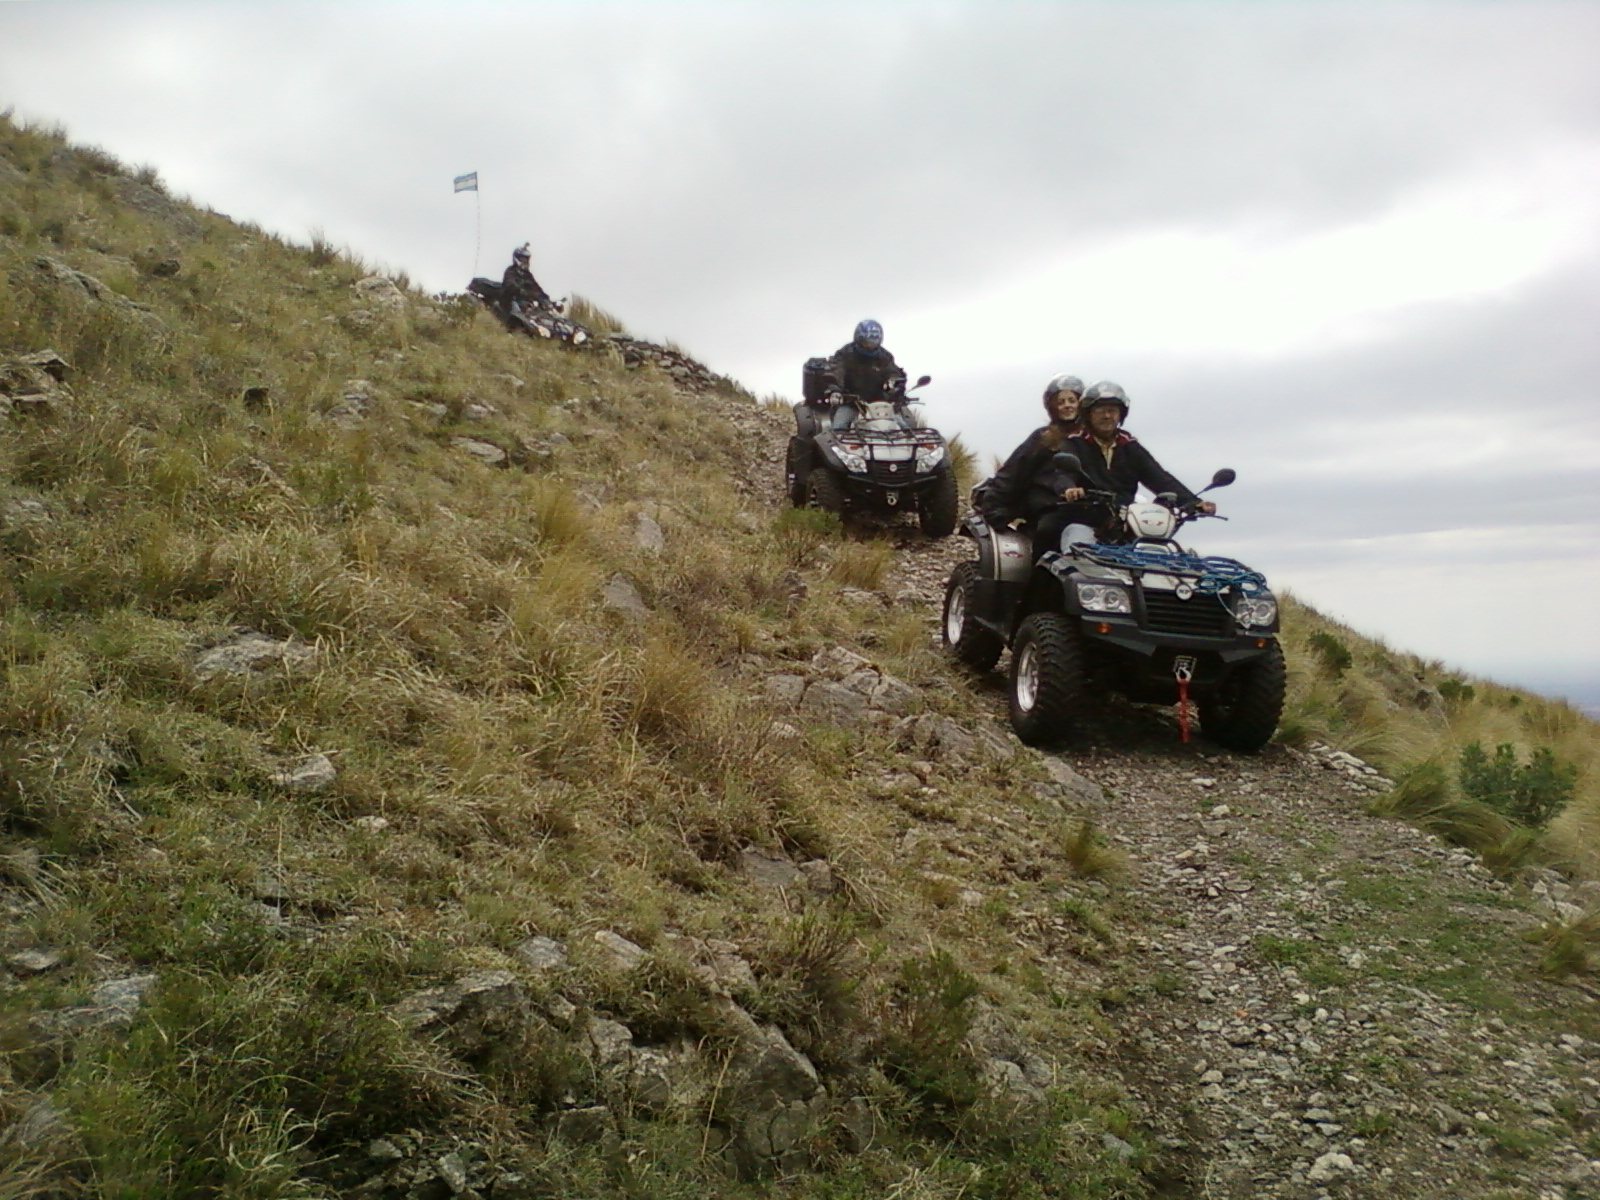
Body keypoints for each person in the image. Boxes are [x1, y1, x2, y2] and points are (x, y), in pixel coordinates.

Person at [974, 373, 1104, 556]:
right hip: (1050, 508)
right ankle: (1036, 573)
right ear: (1052, 407)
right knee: (1047, 533)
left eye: (1072, 400)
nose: (1067, 405)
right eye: (1060, 402)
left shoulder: (1096, 439)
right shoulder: (1044, 437)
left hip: (1091, 509)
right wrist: (994, 507)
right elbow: (1014, 471)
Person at [1065, 381, 1215, 529]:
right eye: (1100, 410)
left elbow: (1158, 477)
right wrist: (1069, 488)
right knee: (1073, 535)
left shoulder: (1129, 445)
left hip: (1123, 523)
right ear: (1088, 414)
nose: (1107, 415)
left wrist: (1193, 502)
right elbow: (1062, 473)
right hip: (1083, 519)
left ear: (1121, 415)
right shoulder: (1074, 442)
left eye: (1113, 410)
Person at [824, 319, 907, 430]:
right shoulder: (845, 354)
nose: (870, 345)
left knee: (905, 428)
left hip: (879, 404)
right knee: (839, 427)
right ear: (859, 338)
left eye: (874, 341)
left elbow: (893, 372)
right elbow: (836, 371)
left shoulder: (884, 356)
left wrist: (895, 383)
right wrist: (835, 391)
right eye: (867, 341)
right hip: (851, 403)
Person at [500, 243, 551, 318]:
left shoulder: (527, 274)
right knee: (520, 312)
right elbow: (510, 285)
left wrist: (545, 298)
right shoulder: (510, 271)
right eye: (523, 259)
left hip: (524, 301)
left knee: (540, 313)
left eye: (527, 259)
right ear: (517, 259)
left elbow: (536, 287)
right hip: (510, 301)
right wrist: (522, 291)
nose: (526, 262)